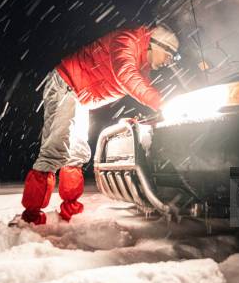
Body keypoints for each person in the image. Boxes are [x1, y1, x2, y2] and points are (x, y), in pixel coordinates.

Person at [18, 24, 180, 225]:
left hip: (79, 98)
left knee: (77, 153)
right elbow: (126, 74)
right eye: (168, 55)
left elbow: (140, 89)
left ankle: (71, 210)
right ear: (156, 45)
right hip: (65, 84)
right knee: (55, 149)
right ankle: (31, 215)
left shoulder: (143, 67)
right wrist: (162, 102)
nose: (167, 62)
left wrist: (148, 116)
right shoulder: (128, 40)